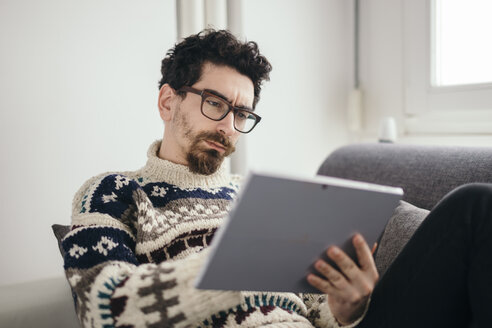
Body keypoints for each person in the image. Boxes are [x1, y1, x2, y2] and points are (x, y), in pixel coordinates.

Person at [61, 29, 492, 328]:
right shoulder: (111, 193)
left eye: (241, 113)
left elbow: (315, 310)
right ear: (167, 101)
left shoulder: (261, 198)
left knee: (475, 207)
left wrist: (345, 307)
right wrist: (236, 263)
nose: (229, 127)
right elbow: (103, 311)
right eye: (215, 103)